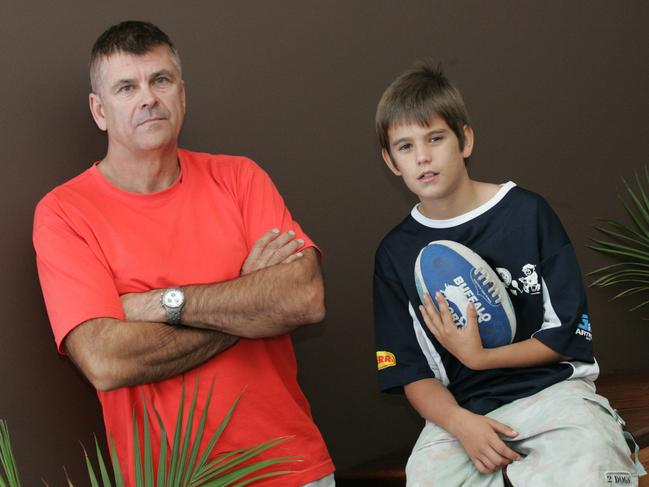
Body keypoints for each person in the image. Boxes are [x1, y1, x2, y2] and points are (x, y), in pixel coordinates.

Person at [33, 21, 334, 486]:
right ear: (99, 110)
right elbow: (106, 361)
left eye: (160, 80)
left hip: (291, 469)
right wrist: (247, 303)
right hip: (174, 478)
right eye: (127, 87)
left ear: (182, 95)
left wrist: (159, 304)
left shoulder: (239, 178)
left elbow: (305, 298)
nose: (148, 97)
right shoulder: (64, 214)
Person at [372, 63, 644, 486]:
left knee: (590, 459)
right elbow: (410, 371)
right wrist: (461, 424)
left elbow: (565, 334)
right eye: (405, 147)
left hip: (552, 393)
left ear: (465, 139)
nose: (422, 156)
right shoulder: (395, 253)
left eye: (435, 138)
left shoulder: (526, 212)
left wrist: (480, 357)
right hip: (461, 410)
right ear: (391, 162)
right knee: (425, 476)